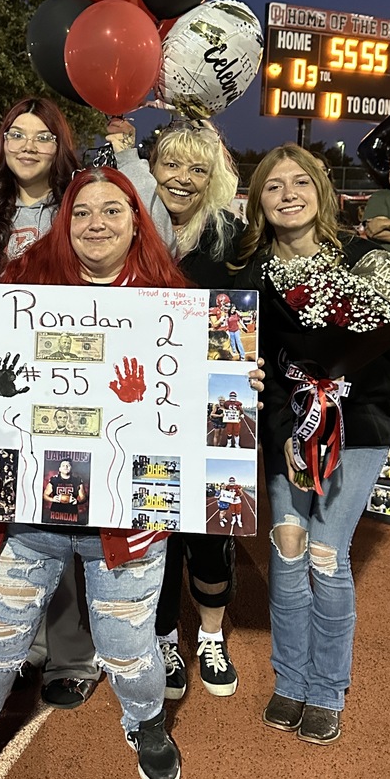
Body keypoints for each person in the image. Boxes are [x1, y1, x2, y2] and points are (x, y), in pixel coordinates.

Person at [0, 167, 190, 779]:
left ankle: (147, 722)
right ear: (64, 222)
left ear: (137, 220)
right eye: (81, 211)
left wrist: (230, 380)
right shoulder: (19, 291)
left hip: (126, 521)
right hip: (25, 515)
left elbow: (182, 412)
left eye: (112, 210)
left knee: (128, 644)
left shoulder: (173, 303)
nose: (96, 223)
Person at [229, 143, 390, 745]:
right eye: (273, 185)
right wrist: (255, 382)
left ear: (321, 191)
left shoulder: (367, 263)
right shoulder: (251, 276)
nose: (288, 194)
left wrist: (339, 382)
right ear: (259, 202)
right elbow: (248, 357)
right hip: (285, 427)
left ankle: (327, 689)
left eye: (300, 182)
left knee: (325, 553)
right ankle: (290, 680)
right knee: (286, 546)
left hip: (357, 428)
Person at [109, 117, 254, 702]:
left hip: (211, 408)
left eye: (198, 168)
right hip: (142, 406)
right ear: (152, 166)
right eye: (171, 163)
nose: (183, 178)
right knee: (154, 524)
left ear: (214, 175)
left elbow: (249, 316)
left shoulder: (230, 236)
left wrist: (253, 366)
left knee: (210, 532)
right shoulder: (128, 226)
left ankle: (212, 636)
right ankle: (166, 637)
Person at [0, 96, 102, 708]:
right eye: (16, 135)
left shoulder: (80, 205)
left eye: (42, 136)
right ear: (2, 144)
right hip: (6, 384)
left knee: (66, 513)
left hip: (69, 380)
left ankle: (72, 654)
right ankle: (24, 646)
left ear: (60, 145)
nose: (28, 146)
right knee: (6, 515)